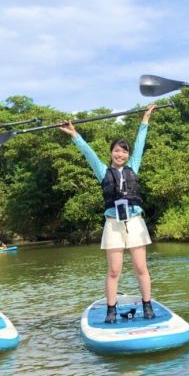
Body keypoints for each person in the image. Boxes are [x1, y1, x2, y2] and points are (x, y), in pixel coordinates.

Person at [59, 105, 158, 324]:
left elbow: (141, 143)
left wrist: (145, 119)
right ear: (111, 153)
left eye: (124, 150)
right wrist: (75, 134)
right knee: (114, 270)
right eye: (116, 150)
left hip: (135, 222)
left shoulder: (133, 167)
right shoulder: (103, 171)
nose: (120, 154)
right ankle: (111, 310)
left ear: (128, 155)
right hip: (113, 223)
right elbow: (88, 153)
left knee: (141, 267)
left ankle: (147, 305)